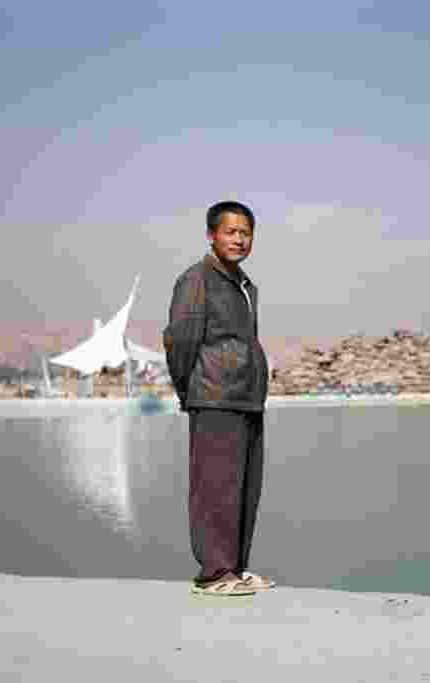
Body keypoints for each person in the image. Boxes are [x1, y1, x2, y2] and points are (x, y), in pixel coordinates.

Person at [163, 200, 274, 597]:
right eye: (231, 232)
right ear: (212, 235)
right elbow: (180, 341)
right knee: (215, 487)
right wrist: (192, 389)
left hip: (246, 397)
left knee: (244, 487)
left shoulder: (244, 284)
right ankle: (213, 574)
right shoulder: (197, 280)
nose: (239, 239)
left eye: (246, 233)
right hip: (214, 397)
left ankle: (234, 569)